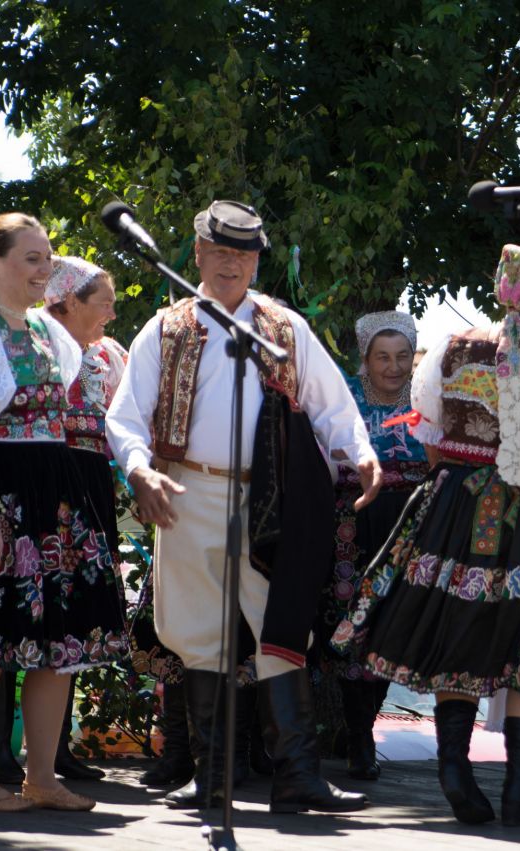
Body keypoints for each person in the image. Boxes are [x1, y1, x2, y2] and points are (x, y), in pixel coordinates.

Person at [332, 244, 520, 827]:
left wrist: (457, 484)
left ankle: (455, 769)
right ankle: (519, 790)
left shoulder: (453, 350)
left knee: (460, 628)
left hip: (460, 507)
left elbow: (430, 435)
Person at [106, 200, 378, 814]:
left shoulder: (282, 327)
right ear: (199, 254)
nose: (231, 263)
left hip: (272, 497)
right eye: (221, 251)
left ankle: (297, 777)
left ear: (257, 262)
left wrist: (360, 453)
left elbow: (330, 401)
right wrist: (140, 469)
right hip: (186, 490)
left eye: (244, 254)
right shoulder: (165, 328)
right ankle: (212, 778)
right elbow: (125, 415)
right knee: (197, 632)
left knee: (282, 625)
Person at [0, 213, 130, 812]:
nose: (45, 270)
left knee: (57, 641)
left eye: (48, 259)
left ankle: (41, 777)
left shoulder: (48, 332)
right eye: (32, 258)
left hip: (52, 493)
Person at [319, 310, 428, 781]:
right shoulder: (345, 398)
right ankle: (357, 735)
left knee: (390, 628)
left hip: (409, 527)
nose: (394, 367)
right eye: (382, 357)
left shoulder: (428, 399)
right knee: (348, 626)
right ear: (365, 358)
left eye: (402, 356)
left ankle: (363, 730)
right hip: (351, 525)